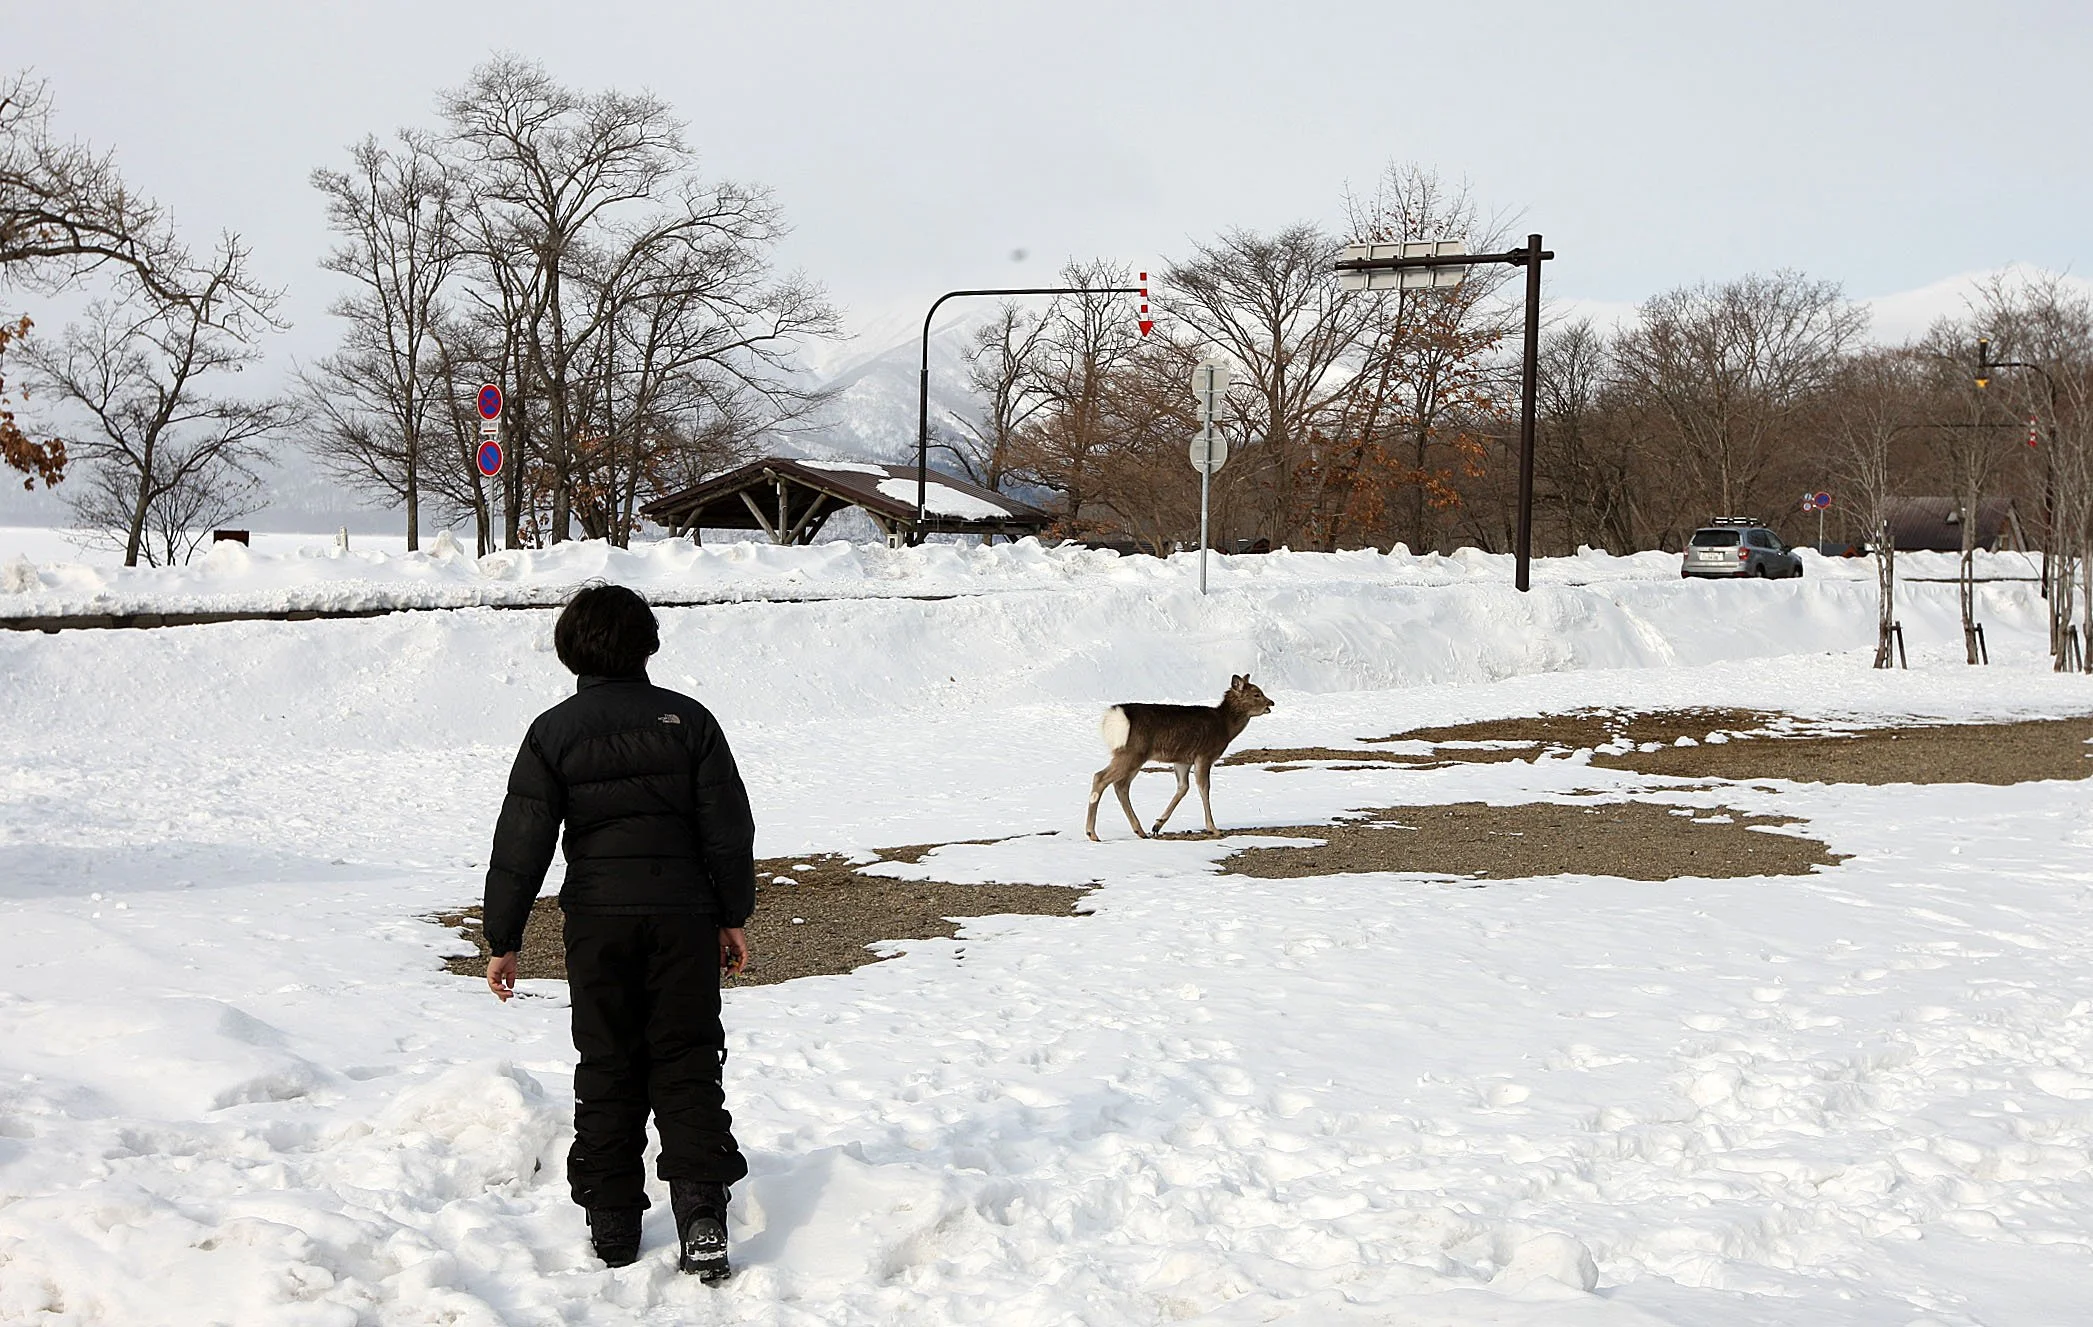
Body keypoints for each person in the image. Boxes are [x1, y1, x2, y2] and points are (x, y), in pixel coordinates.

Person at [481, 583, 756, 1282]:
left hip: (597, 922)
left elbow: (522, 842)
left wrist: (503, 936)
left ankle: (612, 1228)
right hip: (683, 917)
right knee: (687, 1058)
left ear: (570, 648)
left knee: (606, 1065)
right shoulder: (688, 720)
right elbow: (726, 829)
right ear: (648, 642)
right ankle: (700, 1218)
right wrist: (732, 914)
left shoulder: (554, 730)